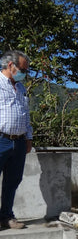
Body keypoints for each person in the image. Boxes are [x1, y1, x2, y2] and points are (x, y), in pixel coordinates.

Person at [0, 50, 33, 229]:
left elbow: (25, 114)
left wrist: (28, 138)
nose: (24, 73)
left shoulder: (20, 88)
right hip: (1, 139)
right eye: (22, 69)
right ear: (11, 65)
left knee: (13, 181)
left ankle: (6, 216)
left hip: (19, 142)